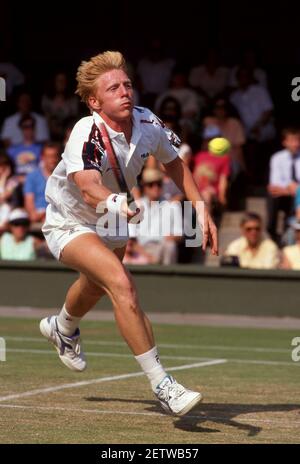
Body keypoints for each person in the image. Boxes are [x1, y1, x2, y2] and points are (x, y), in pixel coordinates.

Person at [39, 51, 217, 416]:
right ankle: (163, 385)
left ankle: (62, 327)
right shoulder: (85, 133)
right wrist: (118, 201)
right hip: (70, 219)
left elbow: (174, 163)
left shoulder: (147, 121)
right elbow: (88, 187)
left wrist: (201, 210)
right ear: (94, 101)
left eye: (127, 85)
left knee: (96, 284)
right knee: (121, 283)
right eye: (113, 88)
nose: (125, 92)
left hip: (113, 218)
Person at [129, 168, 183, 264]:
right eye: (151, 184)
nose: (155, 187)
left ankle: (168, 277)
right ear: (144, 187)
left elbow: (179, 234)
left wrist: (172, 237)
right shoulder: (135, 206)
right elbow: (131, 239)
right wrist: (147, 256)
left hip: (162, 247)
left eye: (159, 184)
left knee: (170, 246)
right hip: (140, 250)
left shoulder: (173, 206)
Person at [267, 127, 300, 243]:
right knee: (272, 194)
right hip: (282, 194)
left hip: (297, 195)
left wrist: (295, 189)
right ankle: (272, 229)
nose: (296, 144)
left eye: (298, 140)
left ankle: (289, 230)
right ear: (284, 142)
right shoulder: (277, 158)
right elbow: (274, 183)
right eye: (292, 140)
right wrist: (290, 188)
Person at [24, 142, 61, 224]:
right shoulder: (32, 176)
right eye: (49, 156)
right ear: (42, 157)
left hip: (59, 214)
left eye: (55, 156)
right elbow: (29, 201)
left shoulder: (64, 176)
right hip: (39, 214)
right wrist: (35, 215)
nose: (52, 160)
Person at [41, 72, 79, 141]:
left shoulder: (72, 98)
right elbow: (45, 115)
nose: (61, 83)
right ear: (54, 82)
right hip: (50, 132)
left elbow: (74, 115)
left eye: (63, 81)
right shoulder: (47, 97)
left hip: (68, 132)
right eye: (59, 81)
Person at [7, 115, 42, 182]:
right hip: (16, 182)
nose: (28, 129)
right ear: (21, 129)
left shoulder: (41, 149)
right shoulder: (12, 150)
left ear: (34, 128)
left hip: (35, 181)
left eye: (31, 126)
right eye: (25, 127)